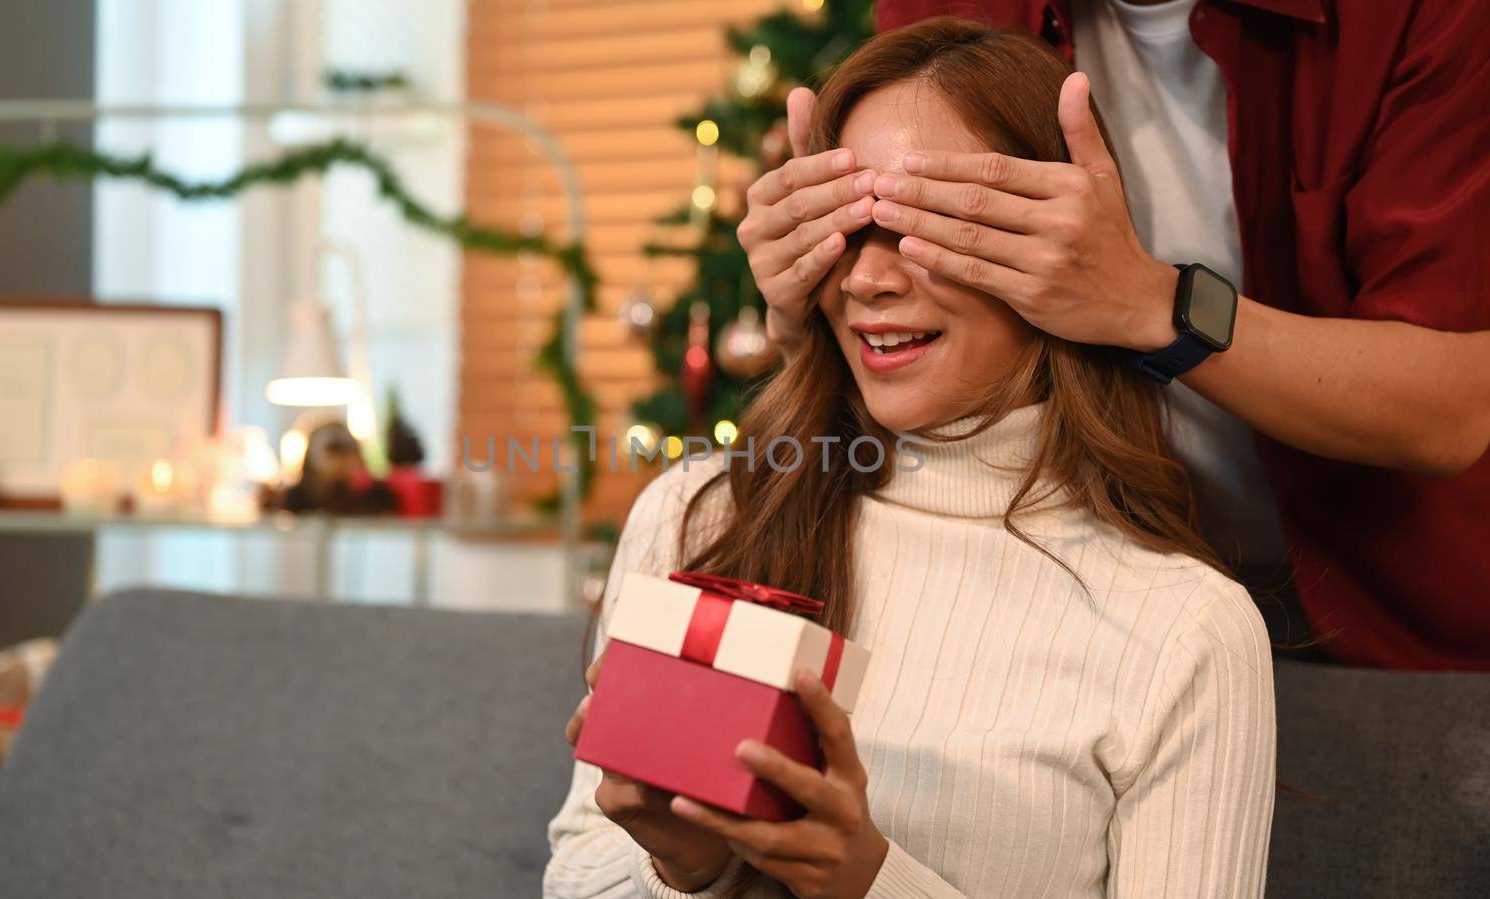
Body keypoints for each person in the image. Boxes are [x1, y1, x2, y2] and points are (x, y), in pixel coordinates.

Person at [546, 20, 1275, 899]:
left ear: (1061, 251)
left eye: (927, 225)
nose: (866, 280)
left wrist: (867, 880)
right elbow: (578, 877)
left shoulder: (1183, 630)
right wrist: (685, 869)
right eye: (846, 226)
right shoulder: (700, 514)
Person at [755, 0, 1488, 670]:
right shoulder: (953, 10)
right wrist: (800, 308)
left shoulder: (1420, 19)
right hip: (1067, 590)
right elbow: (927, 337)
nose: (868, 275)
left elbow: (1449, 409)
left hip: (1398, 628)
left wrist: (1150, 304)